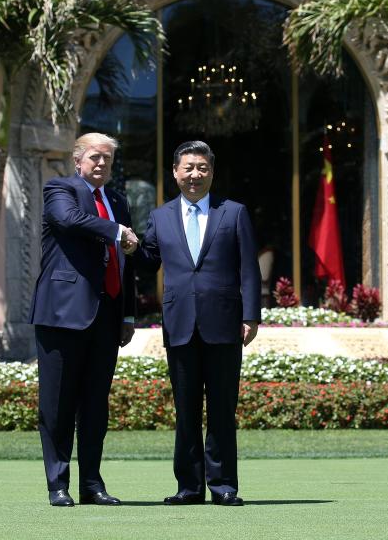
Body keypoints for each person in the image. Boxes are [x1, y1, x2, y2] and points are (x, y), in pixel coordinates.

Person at [136, 140, 260, 506]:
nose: (195, 174)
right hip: (179, 325)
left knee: (222, 410)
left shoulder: (233, 213)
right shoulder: (160, 217)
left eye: (202, 168)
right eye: (188, 167)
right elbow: (147, 261)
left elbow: (248, 269)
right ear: (175, 172)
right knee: (185, 410)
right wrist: (129, 246)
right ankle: (188, 487)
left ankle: (223, 486)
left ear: (211, 172)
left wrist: (251, 315)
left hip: (224, 324)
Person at [27, 132, 139, 507]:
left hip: (107, 317)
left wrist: (127, 313)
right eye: (95, 157)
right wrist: (115, 231)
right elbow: (69, 220)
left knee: (95, 406)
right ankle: (58, 484)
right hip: (61, 314)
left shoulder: (119, 202)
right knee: (57, 405)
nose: (102, 164)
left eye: (108, 158)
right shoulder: (60, 189)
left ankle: (92, 484)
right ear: (78, 160)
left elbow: (127, 262)